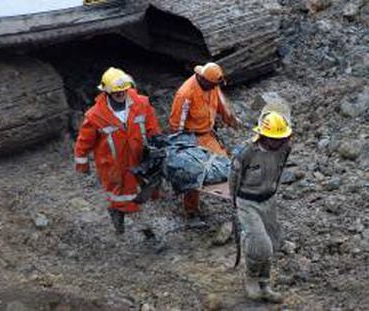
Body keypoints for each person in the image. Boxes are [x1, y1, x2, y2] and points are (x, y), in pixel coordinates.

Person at [74, 67, 162, 247]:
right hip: (114, 166)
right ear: (106, 91)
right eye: (116, 92)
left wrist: (158, 148)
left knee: (138, 195)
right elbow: (84, 142)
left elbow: (153, 129)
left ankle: (117, 211)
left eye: (123, 90)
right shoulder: (95, 116)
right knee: (131, 201)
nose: (121, 94)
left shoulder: (141, 104)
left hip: (139, 161)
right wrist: (82, 163)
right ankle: (149, 237)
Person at [229, 111, 292, 303]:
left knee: (272, 244)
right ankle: (251, 277)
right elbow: (233, 180)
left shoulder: (284, 148)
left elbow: (280, 170)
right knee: (260, 245)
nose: (278, 142)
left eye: (281, 138)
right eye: (274, 139)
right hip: (248, 201)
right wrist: (236, 205)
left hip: (268, 200)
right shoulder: (246, 153)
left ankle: (265, 283)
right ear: (263, 135)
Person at [169, 62, 238, 219]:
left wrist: (229, 118)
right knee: (193, 175)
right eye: (212, 85)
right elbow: (176, 125)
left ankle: (236, 201)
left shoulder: (212, 86)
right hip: (191, 138)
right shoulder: (185, 94)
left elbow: (220, 103)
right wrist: (182, 150)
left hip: (207, 134)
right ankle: (191, 212)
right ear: (202, 79)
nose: (214, 87)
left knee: (225, 166)